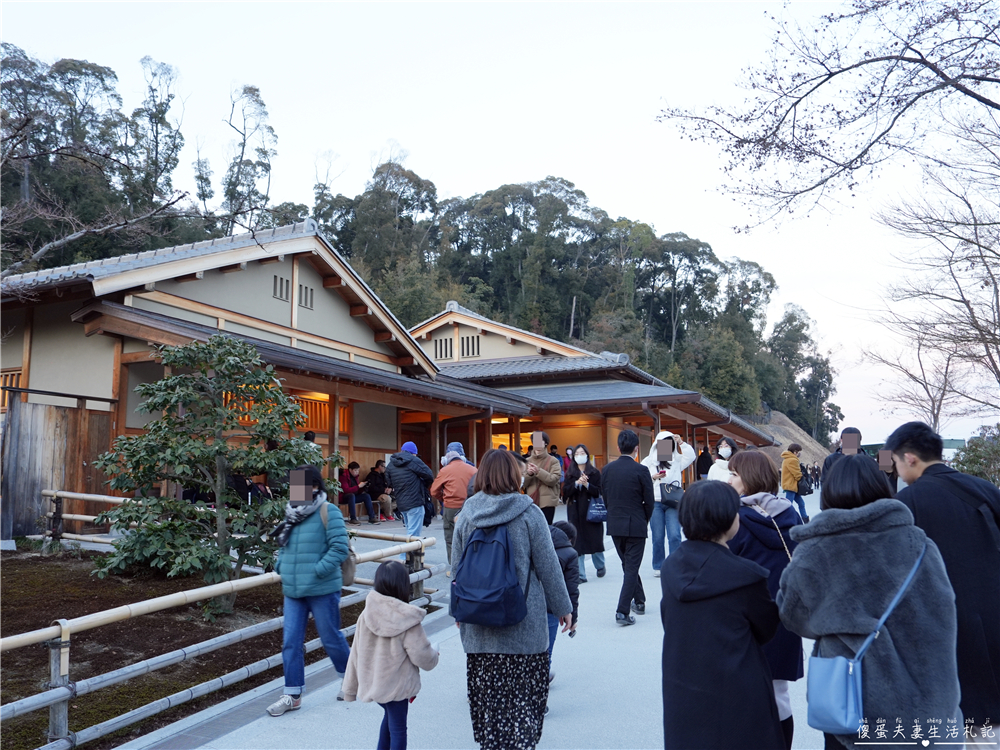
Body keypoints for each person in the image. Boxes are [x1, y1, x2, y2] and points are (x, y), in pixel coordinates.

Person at [779, 454, 960, 749]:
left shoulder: (814, 551)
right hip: (922, 703)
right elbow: (943, 614)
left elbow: (792, 616)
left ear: (830, 492)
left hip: (850, 703)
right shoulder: (919, 544)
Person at [451, 449, 572, 750]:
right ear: (511, 475)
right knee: (523, 712)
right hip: (525, 631)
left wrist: (459, 613)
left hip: (479, 631)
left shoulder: (466, 515)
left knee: (490, 713)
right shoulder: (529, 513)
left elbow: (456, 571)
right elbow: (548, 566)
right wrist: (564, 607)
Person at [885, 421, 1000, 734]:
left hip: (945, 630)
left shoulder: (906, 505)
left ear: (909, 458)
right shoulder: (986, 490)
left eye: (895, 462)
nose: (896, 470)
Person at [661, 480, 785, 750]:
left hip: (682, 684)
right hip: (738, 688)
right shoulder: (746, 575)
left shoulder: (671, 567)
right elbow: (766, 629)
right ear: (728, 520)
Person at [726, 451, 803, 749]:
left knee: (745, 696)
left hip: (748, 618)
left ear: (749, 479)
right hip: (784, 614)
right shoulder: (789, 513)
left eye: (734, 474)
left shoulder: (735, 519)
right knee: (779, 694)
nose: (729, 479)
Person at [267, 466, 351, 716]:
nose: (294, 490)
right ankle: (292, 694)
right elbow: (283, 546)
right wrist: (280, 565)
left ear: (314, 486)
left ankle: (350, 679)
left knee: (331, 638)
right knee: (290, 643)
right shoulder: (291, 514)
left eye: (299, 485)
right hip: (293, 589)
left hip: (322, 588)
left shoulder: (329, 511)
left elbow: (339, 548)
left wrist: (317, 570)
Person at [341, 560, 439, 750]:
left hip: (374, 686)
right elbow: (422, 656)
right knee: (399, 729)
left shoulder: (366, 614)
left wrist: (350, 689)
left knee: (389, 722)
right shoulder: (408, 620)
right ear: (404, 585)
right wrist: (435, 655)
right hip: (397, 689)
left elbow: (355, 652)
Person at [602, 429, 655, 625]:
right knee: (631, 567)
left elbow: (605, 498)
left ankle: (639, 601)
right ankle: (622, 611)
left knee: (628, 565)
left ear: (618, 447)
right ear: (636, 449)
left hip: (615, 523)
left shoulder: (607, 470)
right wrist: (645, 519)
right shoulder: (641, 470)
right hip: (636, 523)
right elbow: (649, 501)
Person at [641, 430, 696, 578]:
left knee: (675, 535)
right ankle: (658, 566)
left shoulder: (677, 459)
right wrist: (654, 477)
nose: (665, 446)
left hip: (673, 501)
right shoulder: (649, 461)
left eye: (668, 443)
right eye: (662, 443)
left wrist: (681, 442)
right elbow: (641, 479)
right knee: (658, 537)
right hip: (656, 502)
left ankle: (676, 564)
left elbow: (691, 456)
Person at [562, 443, 606, 582]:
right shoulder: (570, 474)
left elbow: (599, 491)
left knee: (595, 540)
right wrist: (577, 484)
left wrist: (587, 485)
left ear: (587, 455)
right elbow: (565, 494)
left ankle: (600, 565)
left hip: (591, 511)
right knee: (577, 543)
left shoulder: (594, 473)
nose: (580, 456)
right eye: (577, 454)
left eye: (582, 453)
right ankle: (581, 574)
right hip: (575, 512)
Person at [430, 445, 477, 564]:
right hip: (470, 507)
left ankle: (454, 566)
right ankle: (470, 564)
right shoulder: (473, 470)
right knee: (469, 536)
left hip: (450, 508)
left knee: (450, 538)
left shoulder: (445, 470)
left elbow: (434, 491)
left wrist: (444, 499)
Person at [547, 520, 580, 685]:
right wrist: (572, 616)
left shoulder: (536, 541)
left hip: (525, 603)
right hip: (550, 607)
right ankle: (541, 678)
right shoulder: (570, 553)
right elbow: (571, 589)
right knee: (546, 649)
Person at [386, 442, 435, 542]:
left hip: (401, 503)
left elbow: (388, 481)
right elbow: (429, 475)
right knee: (413, 534)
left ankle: (409, 556)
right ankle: (405, 556)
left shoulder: (391, 464)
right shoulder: (413, 460)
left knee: (409, 530)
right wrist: (423, 486)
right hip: (415, 501)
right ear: (414, 453)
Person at [522, 432, 562, 524]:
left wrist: (538, 471)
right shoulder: (526, 461)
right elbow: (522, 483)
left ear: (546, 443)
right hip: (531, 501)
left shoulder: (553, 461)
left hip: (547, 502)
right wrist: (529, 474)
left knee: (547, 529)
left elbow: (553, 480)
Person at [339, 461, 379, 526]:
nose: (357, 472)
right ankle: (353, 518)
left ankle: (372, 517)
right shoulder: (343, 476)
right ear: (350, 470)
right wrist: (358, 486)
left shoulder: (355, 477)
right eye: (355, 470)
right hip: (343, 497)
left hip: (353, 496)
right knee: (351, 495)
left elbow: (357, 491)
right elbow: (345, 490)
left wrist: (364, 487)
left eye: (358, 470)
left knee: (366, 496)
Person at [779, 443, 809, 522]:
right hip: (791, 485)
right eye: (798, 452)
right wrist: (803, 478)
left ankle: (805, 519)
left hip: (791, 485)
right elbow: (797, 474)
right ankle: (785, 520)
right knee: (788, 505)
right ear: (795, 452)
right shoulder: (792, 460)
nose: (799, 454)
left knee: (800, 503)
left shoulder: (787, 458)